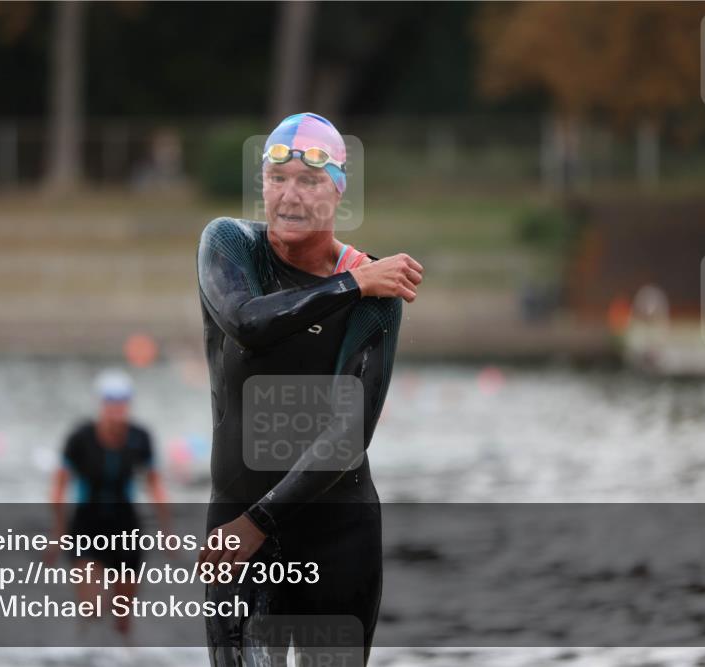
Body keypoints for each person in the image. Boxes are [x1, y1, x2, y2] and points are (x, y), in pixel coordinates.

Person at [196, 112, 424, 665]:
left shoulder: (378, 290)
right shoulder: (230, 246)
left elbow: (348, 434)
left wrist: (259, 523)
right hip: (238, 518)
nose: (290, 195)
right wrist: (351, 284)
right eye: (278, 179)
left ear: (338, 192)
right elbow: (248, 321)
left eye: (310, 180)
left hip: (334, 530)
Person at [49, 368, 169, 636]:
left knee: (122, 615)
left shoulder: (140, 437)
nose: (117, 408)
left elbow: (154, 483)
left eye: (122, 401)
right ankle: (85, 642)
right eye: (111, 401)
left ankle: (122, 651)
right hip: (86, 526)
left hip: (126, 527)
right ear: (101, 403)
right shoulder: (80, 438)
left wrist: (166, 530)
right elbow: (60, 484)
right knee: (92, 606)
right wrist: (57, 533)